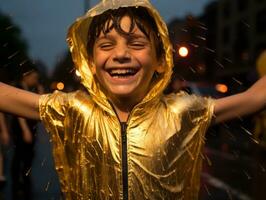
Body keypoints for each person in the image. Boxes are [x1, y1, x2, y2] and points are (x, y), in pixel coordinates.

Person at [0, 0, 265, 199]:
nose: (121, 54)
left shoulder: (183, 111)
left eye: (136, 43)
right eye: (106, 45)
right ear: (90, 63)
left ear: (161, 61)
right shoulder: (74, 109)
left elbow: (253, 98)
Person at [10, 65, 40, 200]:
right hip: (20, 129)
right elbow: (19, 112)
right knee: (19, 153)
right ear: (26, 76)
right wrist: (25, 130)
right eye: (33, 78)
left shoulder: (33, 88)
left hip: (30, 128)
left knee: (29, 153)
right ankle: (17, 182)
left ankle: (25, 176)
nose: (35, 80)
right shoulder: (18, 87)